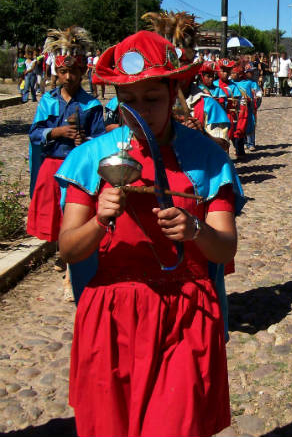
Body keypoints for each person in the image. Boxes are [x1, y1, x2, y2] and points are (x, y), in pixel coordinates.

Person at [56, 30, 245, 437]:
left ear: (174, 90)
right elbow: (68, 249)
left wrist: (195, 230)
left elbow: (225, 246)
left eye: (152, 100)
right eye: (129, 102)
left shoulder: (207, 158)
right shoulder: (91, 157)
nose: (140, 111)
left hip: (186, 314)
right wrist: (99, 220)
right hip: (111, 318)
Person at [27, 26, 105, 302]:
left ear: (82, 72)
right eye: (63, 72)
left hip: (78, 171)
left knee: (75, 216)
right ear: (56, 73)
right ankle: (65, 254)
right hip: (52, 167)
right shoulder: (48, 101)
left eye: (73, 72)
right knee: (56, 218)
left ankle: (71, 272)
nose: (68, 77)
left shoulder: (91, 105)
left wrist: (87, 142)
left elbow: (100, 138)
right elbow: (35, 133)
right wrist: (57, 132)